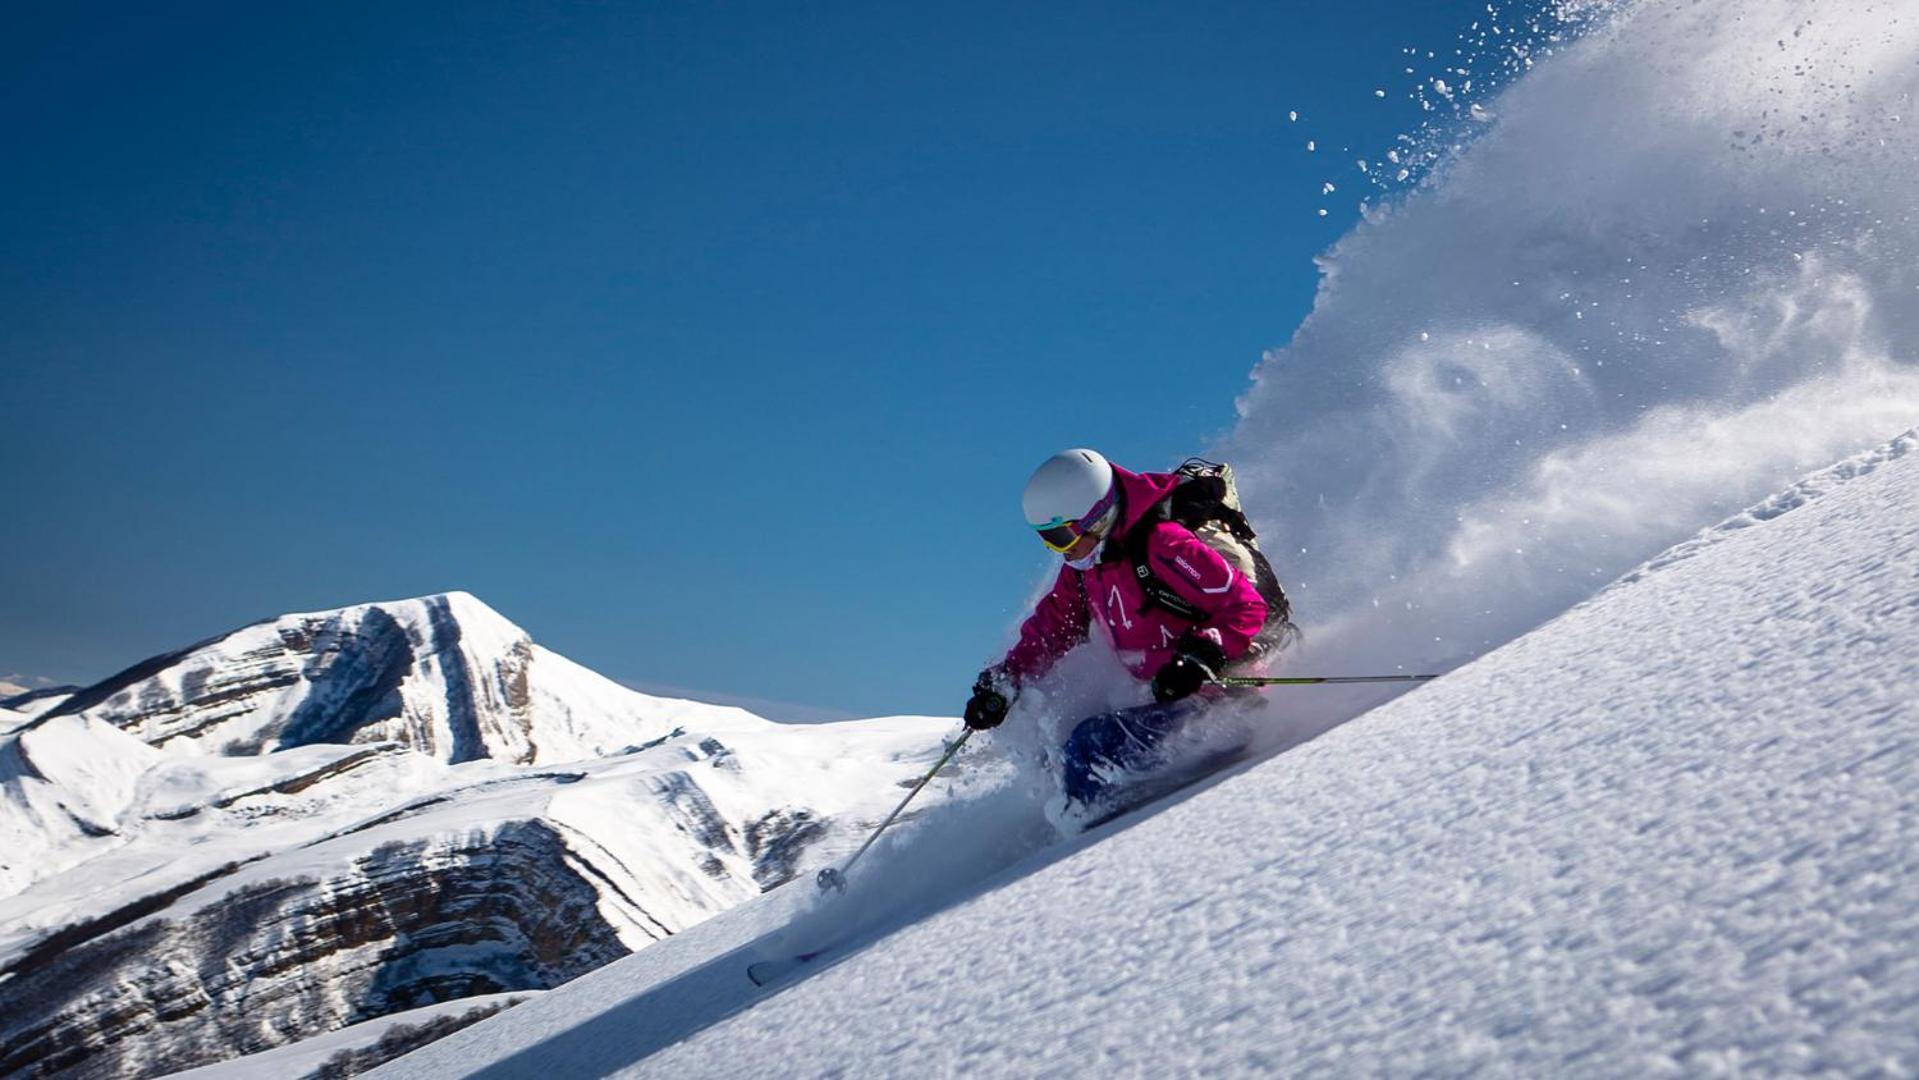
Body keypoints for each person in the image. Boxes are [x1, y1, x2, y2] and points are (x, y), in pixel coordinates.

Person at [963, 448, 1270, 813]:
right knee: (1058, 760)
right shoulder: (1086, 567)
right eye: (1046, 539)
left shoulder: (1164, 544)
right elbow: (1052, 628)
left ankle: (1096, 844)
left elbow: (1245, 605)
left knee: (1091, 752)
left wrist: (1200, 656)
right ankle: (1080, 825)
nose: (1059, 550)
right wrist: (1007, 680)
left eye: (1061, 536)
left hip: (1227, 698)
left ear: (1097, 516)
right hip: (1171, 699)